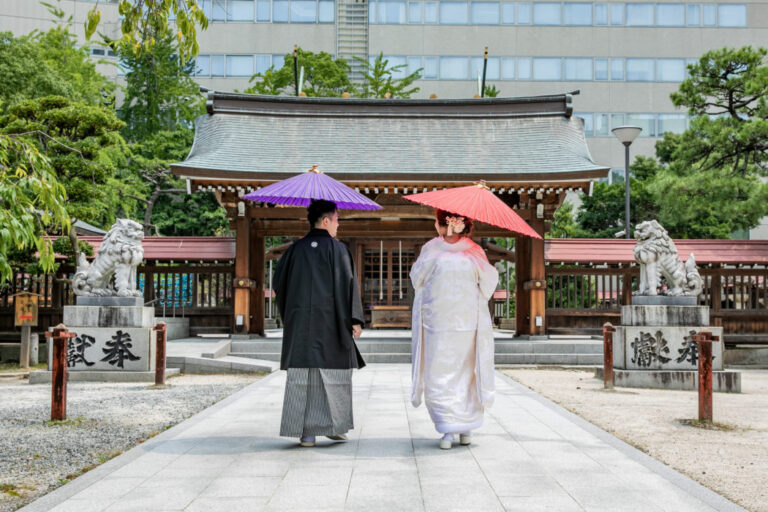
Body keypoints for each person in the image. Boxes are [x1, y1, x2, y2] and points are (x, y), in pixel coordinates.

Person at [274, 199, 365, 447]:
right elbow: (349, 286)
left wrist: (291, 314)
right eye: (337, 220)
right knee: (334, 375)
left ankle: (307, 434)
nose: (338, 225)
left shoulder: (294, 250)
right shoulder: (338, 250)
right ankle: (333, 426)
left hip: (301, 325)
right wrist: (355, 319)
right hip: (332, 324)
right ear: (326, 221)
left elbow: (278, 285)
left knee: (302, 376)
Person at [410, 209, 499, 449]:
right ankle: (465, 427)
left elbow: (416, 278)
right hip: (466, 323)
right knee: (466, 373)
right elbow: (490, 282)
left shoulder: (431, 250)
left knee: (439, 373)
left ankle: (448, 429)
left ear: (442, 225)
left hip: (437, 323)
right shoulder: (473, 251)